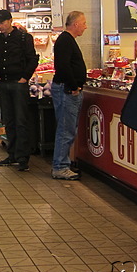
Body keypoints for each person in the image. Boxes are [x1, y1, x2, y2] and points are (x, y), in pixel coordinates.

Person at [0, 9, 39, 171]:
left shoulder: (24, 38)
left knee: (21, 120)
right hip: (3, 83)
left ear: (10, 21)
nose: (0, 26)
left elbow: (33, 58)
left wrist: (25, 77)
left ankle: (23, 157)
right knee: (9, 120)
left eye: (3, 22)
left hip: (18, 83)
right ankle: (11, 153)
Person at [51, 11, 88, 181]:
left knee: (67, 129)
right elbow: (63, 66)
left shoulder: (66, 40)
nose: (86, 27)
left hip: (68, 89)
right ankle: (60, 166)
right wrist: (74, 86)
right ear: (75, 24)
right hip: (67, 90)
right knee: (66, 129)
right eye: (84, 23)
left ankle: (63, 162)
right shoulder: (65, 40)